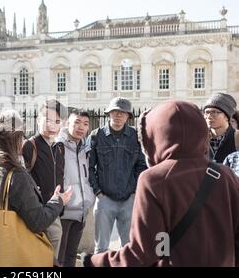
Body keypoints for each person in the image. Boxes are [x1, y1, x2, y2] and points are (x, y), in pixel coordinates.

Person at [82, 100, 239, 267]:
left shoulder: (154, 179)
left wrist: (94, 261)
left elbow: (143, 253)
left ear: (156, 134)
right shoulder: (224, 174)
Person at [0, 110, 72, 266]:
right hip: (18, 255)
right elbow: (38, 222)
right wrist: (58, 201)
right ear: (18, 139)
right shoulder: (17, 176)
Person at [89, 97, 147, 254]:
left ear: (128, 116)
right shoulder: (96, 135)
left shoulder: (135, 136)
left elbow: (141, 166)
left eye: (122, 113)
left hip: (128, 199)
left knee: (129, 248)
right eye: (115, 112)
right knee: (101, 248)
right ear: (109, 113)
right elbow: (89, 167)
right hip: (104, 199)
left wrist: (135, 192)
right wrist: (97, 192)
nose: (118, 115)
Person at [22, 99, 67, 264]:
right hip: (36, 209)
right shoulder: (29, 146)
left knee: (51, 248)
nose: (52, 125)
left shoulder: (59, 147)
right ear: (38, 119)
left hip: (54, 207)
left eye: (57, 121)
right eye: (47, 120)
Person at [53, 108, 94, 267]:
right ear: (67, 123)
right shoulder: (58, 146)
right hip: (63, 211)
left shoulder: (86, 148)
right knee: (59, 258)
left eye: (85, 124)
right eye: (76, 122)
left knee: (71, 255)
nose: (81, 127)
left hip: (81, 211)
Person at [203, 92, 238, 163]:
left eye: (214, 112)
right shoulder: (199, 139)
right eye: (207, 112)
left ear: (227, 116)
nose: (209, 116)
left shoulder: (237, 138)